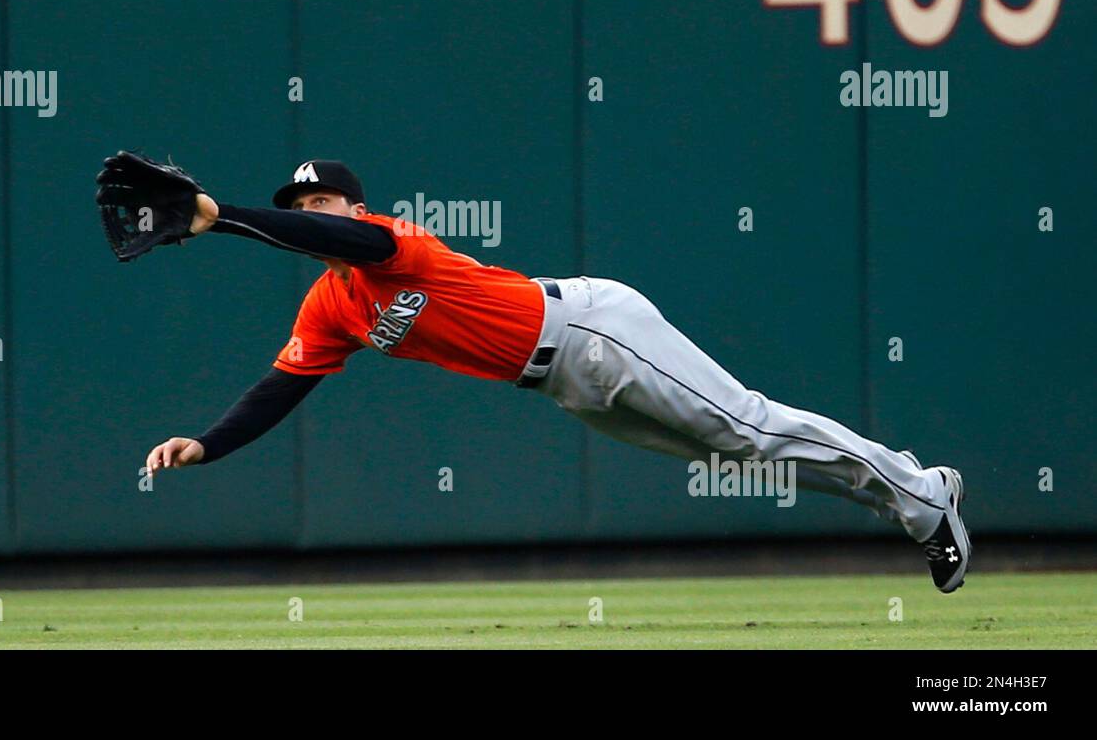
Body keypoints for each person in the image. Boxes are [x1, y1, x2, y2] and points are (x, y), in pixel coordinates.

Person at [143, 159, 971, 593]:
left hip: (593, 329)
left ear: (355, 210)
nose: (307, 213)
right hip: (564, 384)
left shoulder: (392, 241)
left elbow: (356, 244)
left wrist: (226, 220)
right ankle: (914, 498)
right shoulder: (331, 308)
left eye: (319, 203)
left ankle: (921, 495)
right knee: (742, 453)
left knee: (747, 424)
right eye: (298, 204)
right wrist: (207, 446)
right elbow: (280, 387)